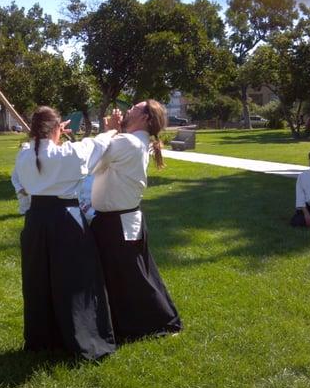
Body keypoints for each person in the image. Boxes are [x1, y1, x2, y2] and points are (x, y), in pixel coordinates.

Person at [14, 106, 117, 360]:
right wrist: (111, 128)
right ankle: (81, 339)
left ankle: (44, 338)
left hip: (36, 222)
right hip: (66, 221)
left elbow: (21, 181)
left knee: (41, 280)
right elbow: (98, 144)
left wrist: (54, 133)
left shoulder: (24, 156)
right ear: (57, 128)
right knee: (75, 281)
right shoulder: (69, 154)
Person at [90, 100, 182, 342]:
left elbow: (91, 161)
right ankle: (155, 318)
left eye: (135, 107)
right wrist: (114, 130)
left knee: (129, 276)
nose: (129, 109)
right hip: (123, 219)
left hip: (116, 222)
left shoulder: (127, 142)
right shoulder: (131, 141)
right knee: (135, 274)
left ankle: (149, 322)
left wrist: (108, 129)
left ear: (145, 118)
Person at [11, 142, 31, 215]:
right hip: (22, 190)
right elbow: (14, 178)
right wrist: (20, 189)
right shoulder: (18, 165)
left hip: (34, 190)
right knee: (24, 207)